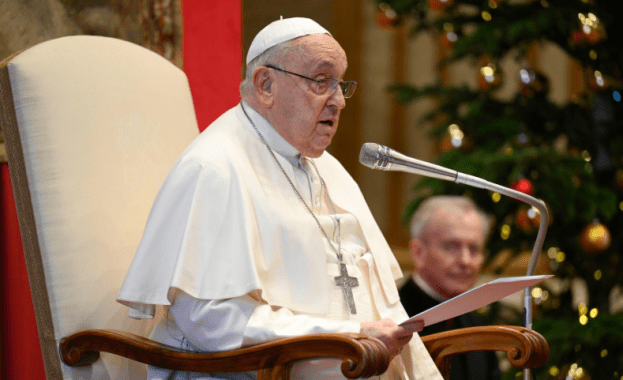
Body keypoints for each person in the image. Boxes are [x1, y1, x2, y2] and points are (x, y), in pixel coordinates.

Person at [117, 17, 444, 380]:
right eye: (322, 82)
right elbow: (209, 320)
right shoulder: (214, 167)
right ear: (266, 84)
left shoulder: (328, 170)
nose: (338, 101)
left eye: (341, 85)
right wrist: (348, 337)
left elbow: (376, 297)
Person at [399, 196, 501, 380]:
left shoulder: (480, 328)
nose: (465, 261)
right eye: (451, 246)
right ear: (418, 252)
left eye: (474, 249)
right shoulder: (391, 320)